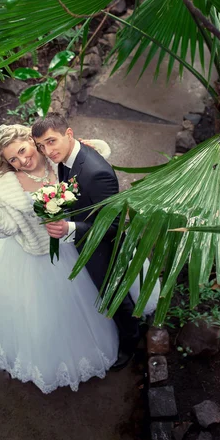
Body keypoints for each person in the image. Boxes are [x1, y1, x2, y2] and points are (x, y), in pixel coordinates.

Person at [0, 123, 119, 394]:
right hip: (38, 255)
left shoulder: (52, 154)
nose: (22, 161)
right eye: (13, 159)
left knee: (94, 294)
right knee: (51, 314)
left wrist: (86, 146)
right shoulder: (3, 185)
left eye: (24, 151)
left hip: (74, 240)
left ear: (32, 142)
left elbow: (92, 155)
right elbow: (11, 227)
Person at [31, 114, 142, 370]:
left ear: (68, 134)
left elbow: (113, 224)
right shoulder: (66, 157)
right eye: (42, 146)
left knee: (113, 294)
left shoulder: (97, 173)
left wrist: (69, 228)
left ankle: (132, 344)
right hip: (84, 235)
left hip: (103, 246)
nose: (47, 151)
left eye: (51, 141)